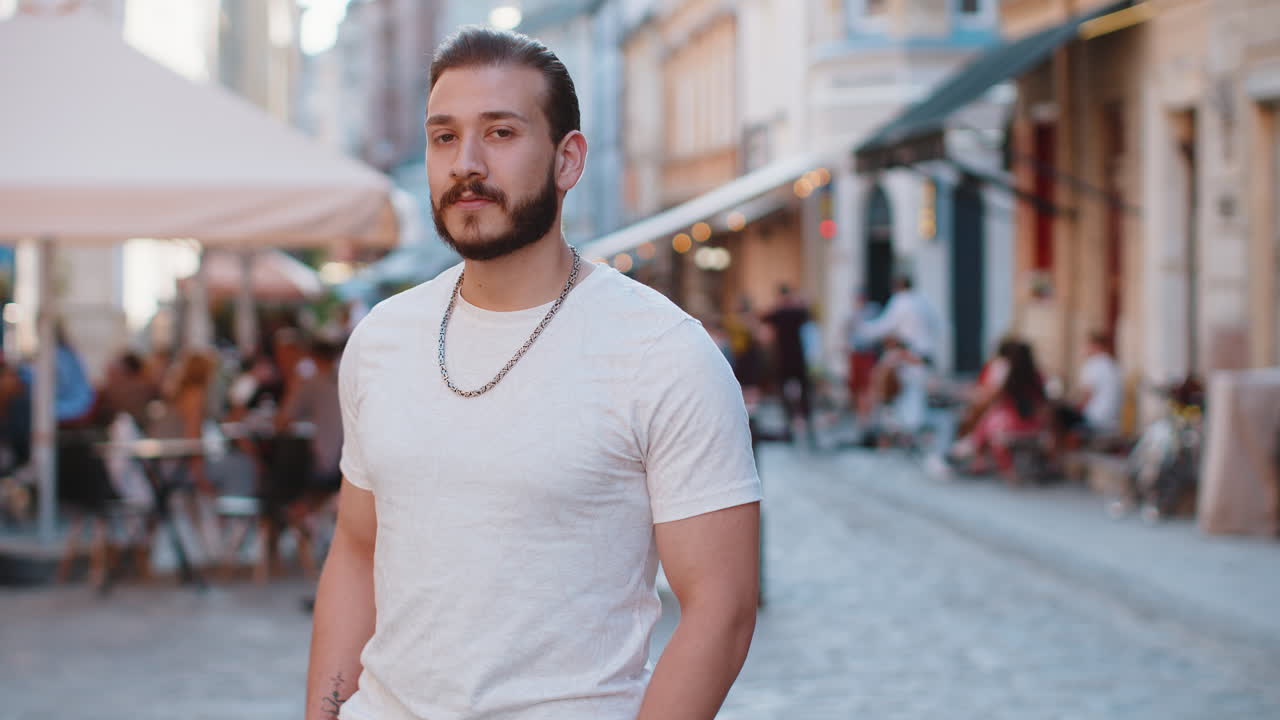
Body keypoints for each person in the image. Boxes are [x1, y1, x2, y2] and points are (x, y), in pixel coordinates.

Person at [307, 27, 760, 720]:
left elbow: (721, 609)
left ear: (567, 159)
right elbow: (357, 548)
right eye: (444, 137)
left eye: (501, 133)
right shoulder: (381, 340)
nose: (467, 163)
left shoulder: (662, 352)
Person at [949, 342, 1049, 474]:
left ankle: (974, 454)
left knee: (988, 419)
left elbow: (994, 398)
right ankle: (973, 452)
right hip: (1034, 425)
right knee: (989, 419)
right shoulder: (1038, 377)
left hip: (1011, 425)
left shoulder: (1011, 379)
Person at [762, 283, 815, 444]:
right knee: (804, 392)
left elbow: (764, 317)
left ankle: (789, 423)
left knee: (784, 392)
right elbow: (808, 314)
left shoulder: (779, 312)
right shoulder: (797, 312)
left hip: (783, 358)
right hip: (797, 358)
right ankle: (806, 422)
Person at [1055, 331, 1124, 442]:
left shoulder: (1093, 364)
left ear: (1095, 345)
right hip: (1112, 419)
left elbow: (1087, 395)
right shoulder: (1112, 364)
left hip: (1094, 418)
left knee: (1057, 413)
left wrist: (1073, 406)